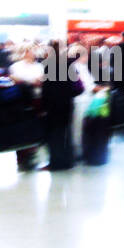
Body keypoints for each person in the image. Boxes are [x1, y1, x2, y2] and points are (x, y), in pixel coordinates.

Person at [42, 39, 81, 171]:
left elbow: (46, 88)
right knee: (67, 132)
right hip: (67, 103)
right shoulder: (69, 64)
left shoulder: (49, 65)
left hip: (53, 105)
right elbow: (77, 87)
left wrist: (44, 105)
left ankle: (55, 162)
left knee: (54, 134)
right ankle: (68, 161)